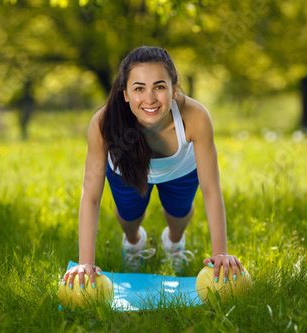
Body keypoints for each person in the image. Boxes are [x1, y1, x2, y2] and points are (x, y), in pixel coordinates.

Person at [62, 46, 245, 291]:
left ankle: (174, 243)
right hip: (125, 171)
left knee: (178, 215)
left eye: (159, 86)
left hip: (180, 170)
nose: (149, 99)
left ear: (174, 88)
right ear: (125, 93)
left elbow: (211, 189)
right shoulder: (103, 123)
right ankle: (134, 243)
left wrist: (221, 253)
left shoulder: (196, 116)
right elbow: (91, 196)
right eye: (139, 88)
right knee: (129, 218)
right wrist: (85, 262)